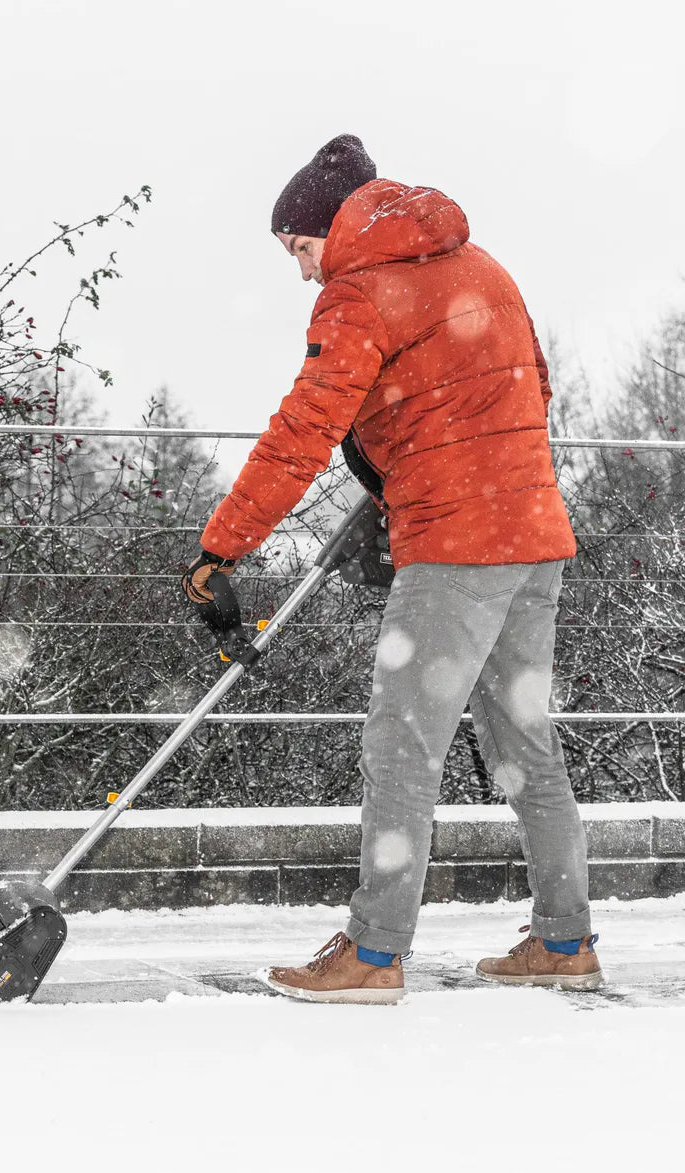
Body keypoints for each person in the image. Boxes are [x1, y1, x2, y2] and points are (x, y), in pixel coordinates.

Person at [182, 134, 601, 1004]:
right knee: (524, 743)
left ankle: (372, 955)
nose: (302, 272)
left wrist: (221, 547)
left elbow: (305, 426)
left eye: (299, 251)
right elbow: (526, 394)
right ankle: (565, 939)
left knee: (401, 747)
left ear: (328, 229)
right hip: (532, 535)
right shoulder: (482, 266)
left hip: (457, 545)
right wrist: (394, 485)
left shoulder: (359, 291)